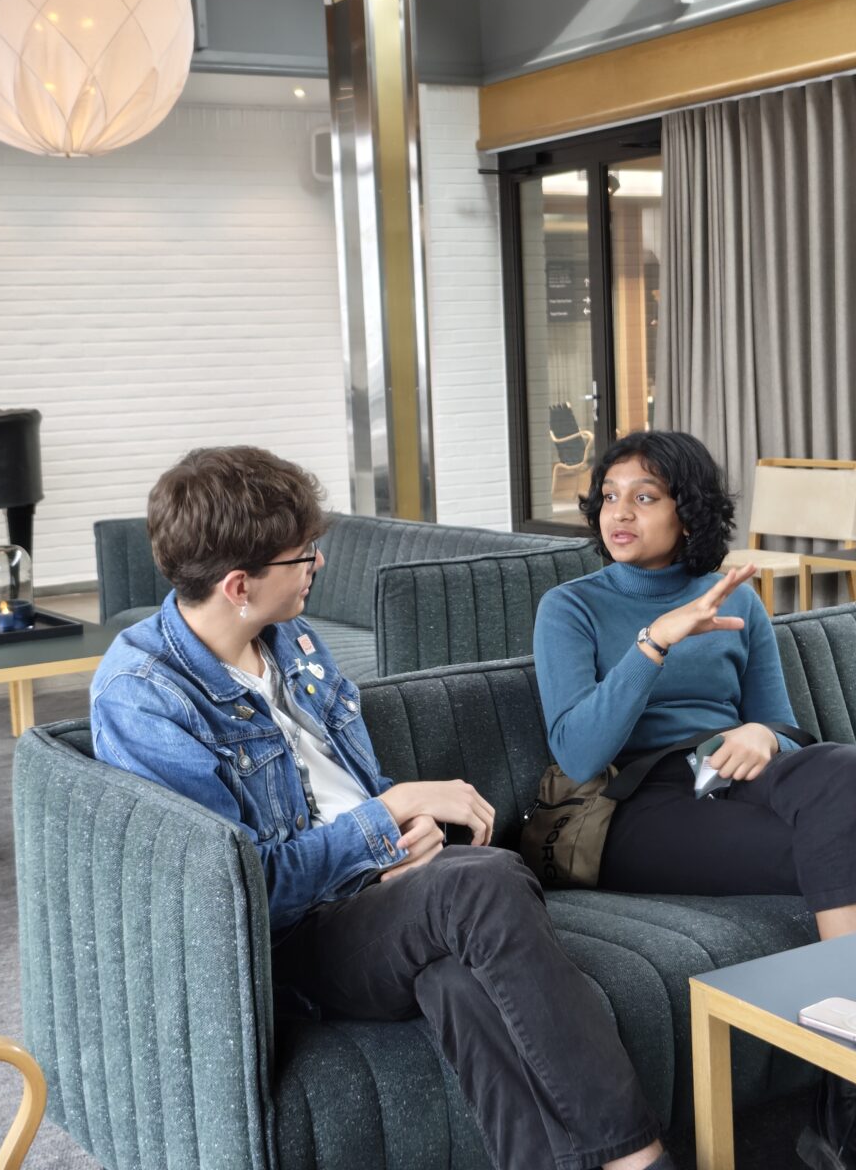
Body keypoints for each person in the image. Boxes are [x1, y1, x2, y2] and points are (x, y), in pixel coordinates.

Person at [90, 444, 677, 1170]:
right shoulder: (145, 696)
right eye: (302, 555)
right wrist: (388, 815)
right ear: (239, 585)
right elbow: (239, 891)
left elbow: (341, 786)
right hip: (297, 940)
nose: (318, 564)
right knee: (485, 879)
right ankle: (640, 1159)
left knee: (458, 978)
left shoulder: (291, 638)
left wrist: (404, 830)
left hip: (379, 893)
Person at [534, 429, 856, 1170]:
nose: (618, 513)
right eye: (609, 497)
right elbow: (578, 751)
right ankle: (852, 1105)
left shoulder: (737, 600)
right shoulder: (570, 608)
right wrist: (654, 643)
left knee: (848, 771)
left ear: (688, 512)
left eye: (644, 497)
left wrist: (763, 734)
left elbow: (782, 722)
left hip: (733, 778)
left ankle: (848, 1097)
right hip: (637, 806)